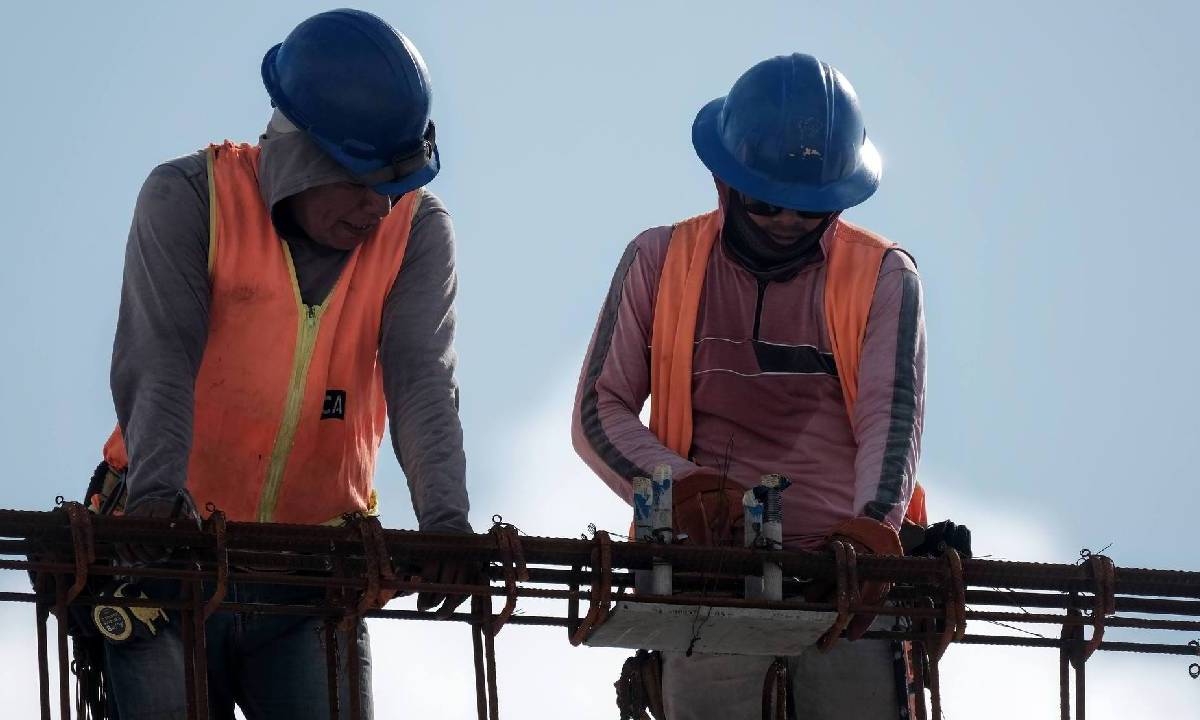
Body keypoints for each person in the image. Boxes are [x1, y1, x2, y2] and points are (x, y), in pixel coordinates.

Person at [94, 10, 473, 719]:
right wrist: (153, 511)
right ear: (300, 155)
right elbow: (159, 361)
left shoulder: (416, 232)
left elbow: (423, 379)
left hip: (309, 580)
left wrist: (445, 519)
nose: (378, 208)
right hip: (166, 568)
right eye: (361, 183)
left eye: (394, 185)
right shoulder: (190, 198)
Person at [572, 53, 926, 719]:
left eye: (810, 208)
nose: (789, 223)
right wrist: (684, 491)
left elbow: (892, 414)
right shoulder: (659, 258)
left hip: (844, 585)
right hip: (710, 574)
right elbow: (600, 409)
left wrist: (872, 532)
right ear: (723, 182)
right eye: (769, 206)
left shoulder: (883, 276)